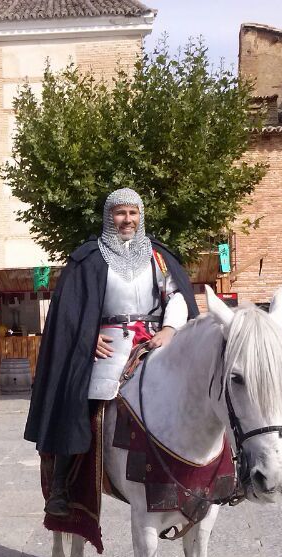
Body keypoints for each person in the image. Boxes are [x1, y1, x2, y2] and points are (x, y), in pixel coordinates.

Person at [24, 188, 198, 517]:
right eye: (120, 213)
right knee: (79, 396)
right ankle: (63, 485)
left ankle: (208, 464)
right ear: (109, 217)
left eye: (133, 213)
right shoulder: (90, 258)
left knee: (194, 388)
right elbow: (70, 311)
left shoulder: (157, 257)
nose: (127, 219)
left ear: (141, 216)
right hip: (105, 345)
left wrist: (170, 329)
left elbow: (175, 296)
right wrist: (86, 339)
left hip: (152, 341)